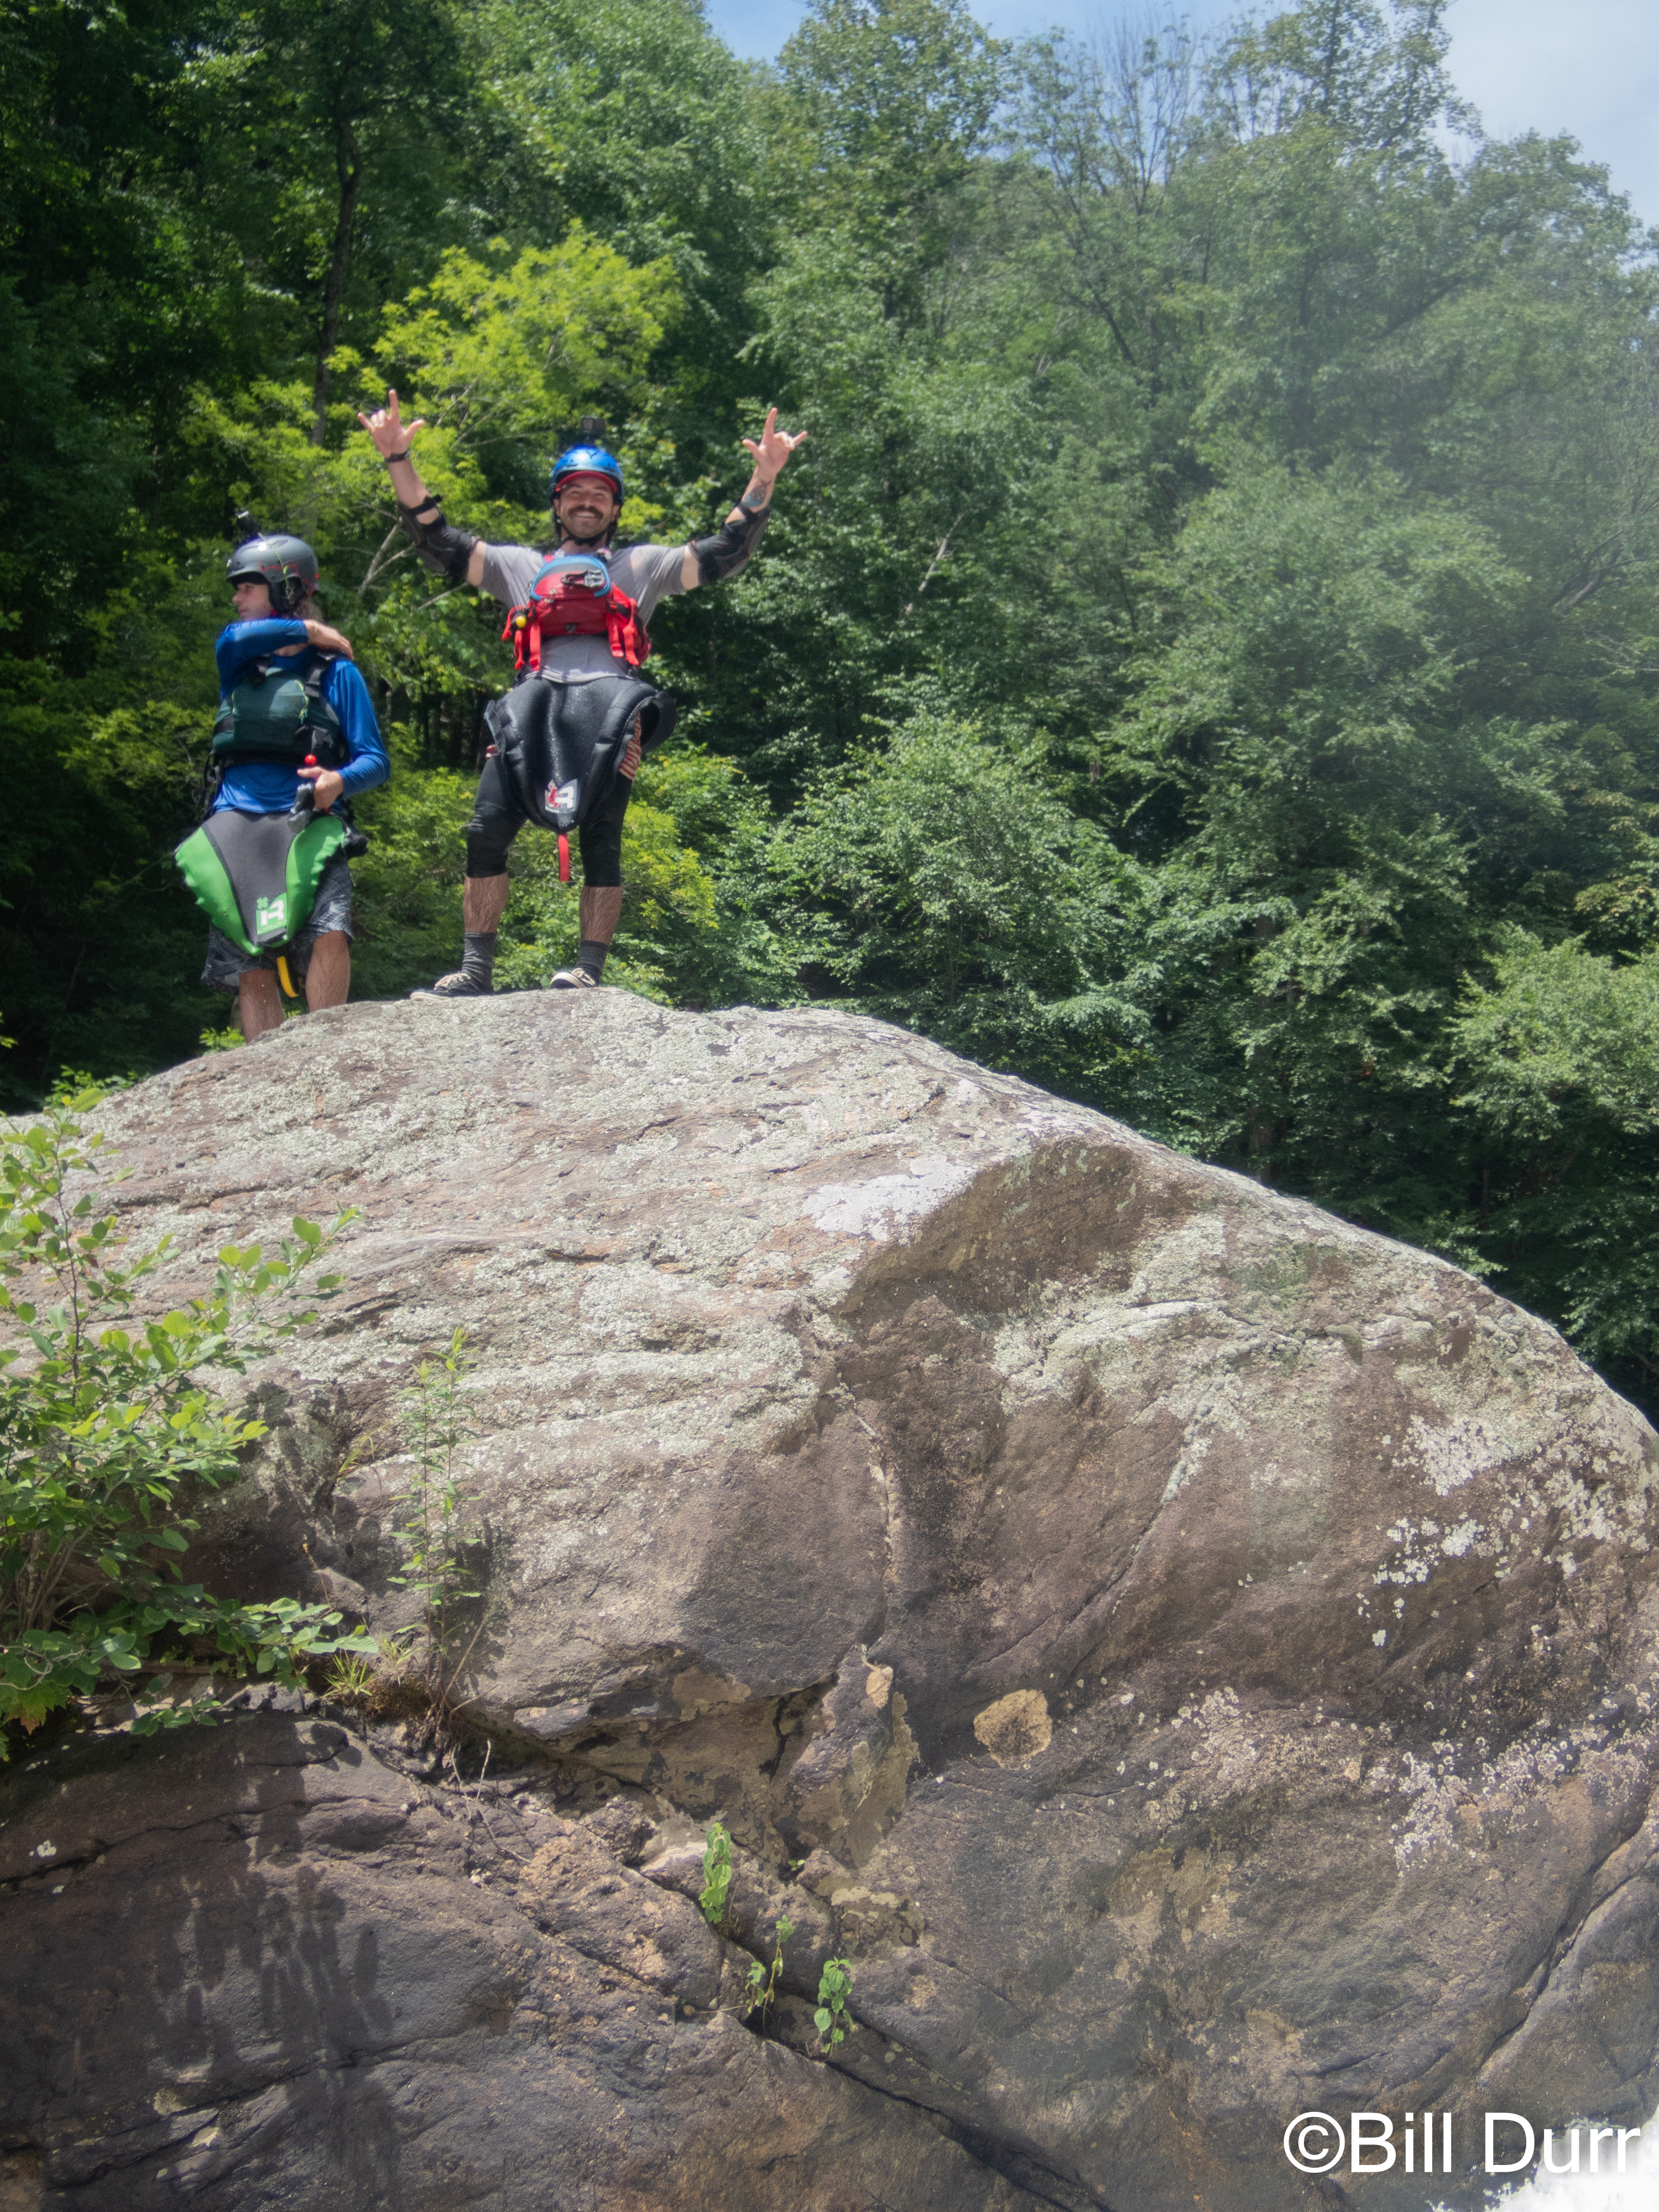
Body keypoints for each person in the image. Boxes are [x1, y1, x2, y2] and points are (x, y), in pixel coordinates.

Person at [355, 393, 806, 995]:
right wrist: (398, 459)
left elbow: (725, 552)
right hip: (532, 707)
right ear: (557, 503)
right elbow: (438, 542)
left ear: (615, 507)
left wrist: (764, 476)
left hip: (609, 710)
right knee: (486, 829)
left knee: (601, 837)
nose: (586, 501)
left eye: (599, 493)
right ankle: (476, 970)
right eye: (575, 492)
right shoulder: (519, 566)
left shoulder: (642, 567)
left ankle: (588, 970)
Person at [204, 532, 390, 1037]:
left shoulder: (338, 674)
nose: (236, 598)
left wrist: (338, 780)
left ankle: (324, 1047)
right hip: (237, 827)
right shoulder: (238, 662)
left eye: (247, 587)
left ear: (284, 590)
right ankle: (266, 1067)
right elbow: (233, 638)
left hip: (311, 823)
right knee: (252, 960)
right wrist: (309, 628)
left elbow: (376, 762)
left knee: (331, 932)